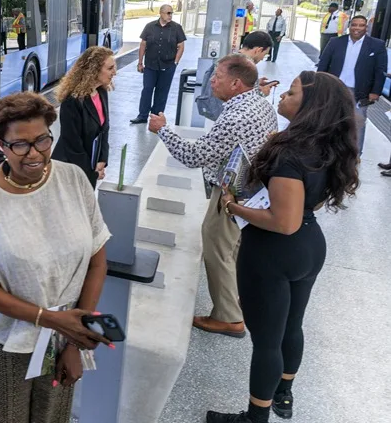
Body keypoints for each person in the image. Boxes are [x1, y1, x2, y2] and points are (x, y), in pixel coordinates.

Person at [0, 92, 112, 423]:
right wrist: (48, 318)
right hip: (5, 340)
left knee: (53, 415)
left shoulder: (73, 179)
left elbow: (97, 260)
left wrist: (75, 340)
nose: (35, 153)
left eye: (42, 140)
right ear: (1, 145)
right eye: (20, 145)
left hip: (64, 335)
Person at [207, 72, 360, 423]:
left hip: (272, 254)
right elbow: (308, 206)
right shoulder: (326, 146)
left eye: (290, 93)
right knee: (292, 326)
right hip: (309, 246)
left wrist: (232, 207)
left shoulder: (289, 155)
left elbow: (283, 221)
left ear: (310, 106)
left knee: (267, 341)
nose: (281, 97)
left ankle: (255, 417)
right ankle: (283, 393)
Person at [149, 55, 277, 338]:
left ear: (236, 83)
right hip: (255, 190)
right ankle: (238, 298)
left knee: (217, 246)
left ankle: (228, 317)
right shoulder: (260, 103)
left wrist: (163, 130)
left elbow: (194, 156)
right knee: (234, 249)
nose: (212, 81)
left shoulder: (235, 116)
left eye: (217, 77)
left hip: (233, 193)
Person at [316, 15, 388, 156]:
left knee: (357, 123)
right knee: (329, 120)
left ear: (366, 27)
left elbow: (380, 71)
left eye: (361, 25)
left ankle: (355, 155)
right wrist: (319, 85)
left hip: (360, 91)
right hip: (335, 88)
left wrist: (375, 91)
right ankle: (327, 151)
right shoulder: (335, 42)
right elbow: (323, 64)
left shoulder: (377, 45)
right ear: (349, 26)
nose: (357, 28)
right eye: (354, 25)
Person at [51, 46, 116, 188]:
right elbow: (72, 144)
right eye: (110, 68)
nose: (114, 72)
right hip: (71, 170)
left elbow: (104, 129)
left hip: (90, 168)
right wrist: (91, 173)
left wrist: (102, 159)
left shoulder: (101, 92)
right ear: (94, 70)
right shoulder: (72, 101)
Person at [196, 31, 277, 122]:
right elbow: (236, 97)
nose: (262, 58)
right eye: (264, 54)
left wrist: (255, 83)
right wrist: (261, 93)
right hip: (226, 118)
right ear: (258, 50)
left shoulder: (230, 60)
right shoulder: (241, 65)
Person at [131, 4, 186, 124]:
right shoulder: (150, 26)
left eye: (171, 13)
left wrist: (175, 62)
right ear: (161, 13)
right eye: (168, 13)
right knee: (147, 89)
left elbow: (181, 46)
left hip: (168, 65)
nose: (170, 15)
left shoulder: (176, 28)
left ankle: (156, 117)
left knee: (162, 91)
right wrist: (140, 62)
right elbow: (143, 44)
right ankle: (142, 115)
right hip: (150, 65)